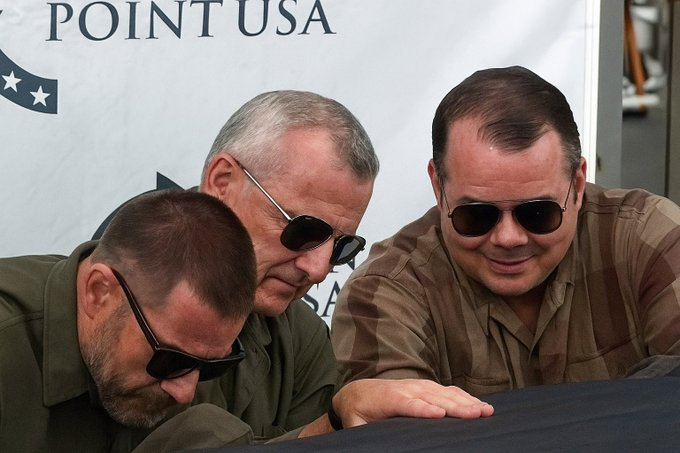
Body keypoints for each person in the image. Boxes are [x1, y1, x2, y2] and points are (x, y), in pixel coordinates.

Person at [133, 90, 493, 451]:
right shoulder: (127, 305)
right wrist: (329, 424)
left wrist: (336, 422)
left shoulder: (300, 337)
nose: (319, 270)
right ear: (222, 183)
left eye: (342, 246)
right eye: (304, 230)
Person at [332, 66, 680, 395]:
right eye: (477, 216)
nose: (508, 238)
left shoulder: (649, 240)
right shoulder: (385, 293)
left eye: (538, 213)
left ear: (577, 186)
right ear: (438, 187)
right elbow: (398, 428)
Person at [0, 190, 257, 452]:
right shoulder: (8, 347)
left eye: (214, 367)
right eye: (171, 360)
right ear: (98, 292)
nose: (185, 393)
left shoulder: (184, 352)